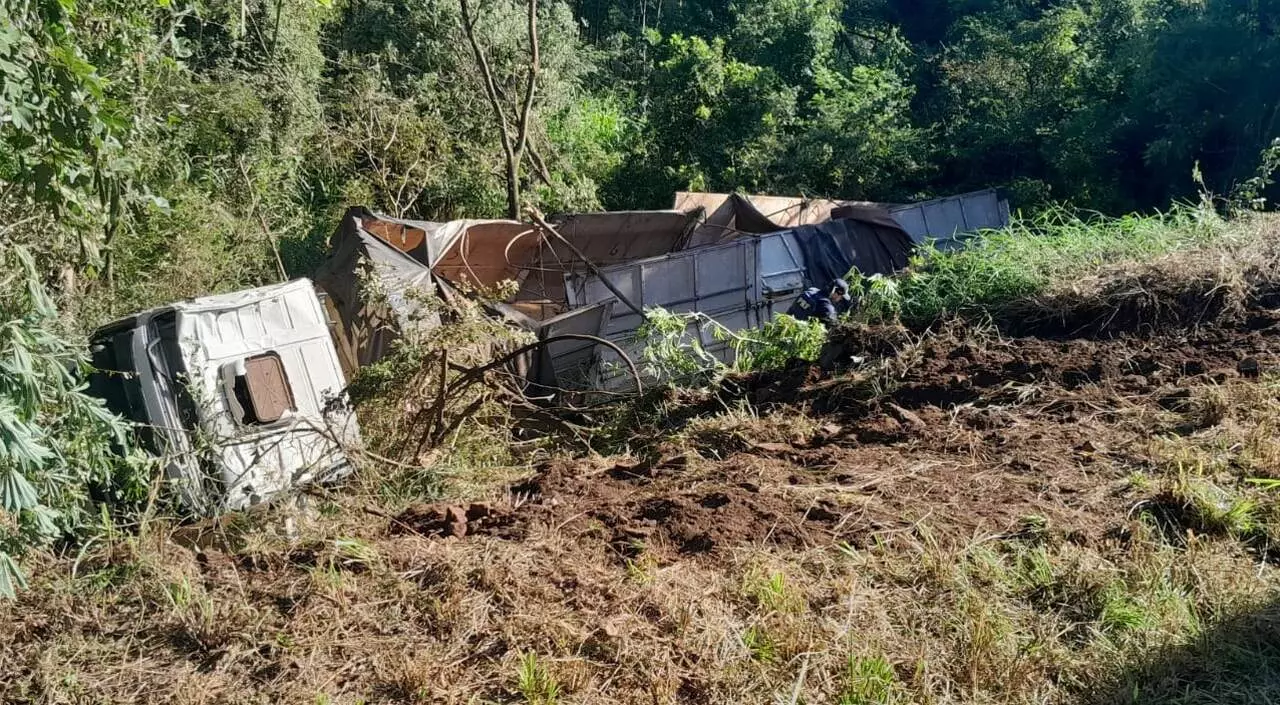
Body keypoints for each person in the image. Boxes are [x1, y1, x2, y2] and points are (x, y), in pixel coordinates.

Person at [786, 278, 850, 327]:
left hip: (786, 325)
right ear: (835, 292)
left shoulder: (812, 290)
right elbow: (834, 327)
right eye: (841, 296)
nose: (841, 299)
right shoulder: (826, 306)